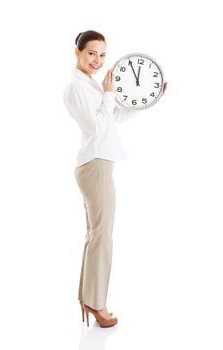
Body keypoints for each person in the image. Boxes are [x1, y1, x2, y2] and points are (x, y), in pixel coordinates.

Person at [63, 30, 167, 328]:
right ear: (78, 52)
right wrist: (109, 94)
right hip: (95, 166)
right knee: (102, 238)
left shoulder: (91, 86)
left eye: (102, 54)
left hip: (99, 164)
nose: (98, 60)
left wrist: (148, 99)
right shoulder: (76, 88)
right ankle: (97, 304)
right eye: (92, 53)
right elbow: (97, 128)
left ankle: (88, 299)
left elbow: (115, 118)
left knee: (96, 236)